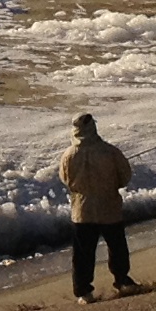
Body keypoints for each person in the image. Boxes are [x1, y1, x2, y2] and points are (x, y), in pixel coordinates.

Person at [59, 112, 140, 297]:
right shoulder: (110, 151)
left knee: (82, 254)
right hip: (109, 208)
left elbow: (65, 180)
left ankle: (83, 292)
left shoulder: (68, 155)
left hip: (82, 211)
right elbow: (124, 177)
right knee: (117, 247)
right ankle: (121, 280)